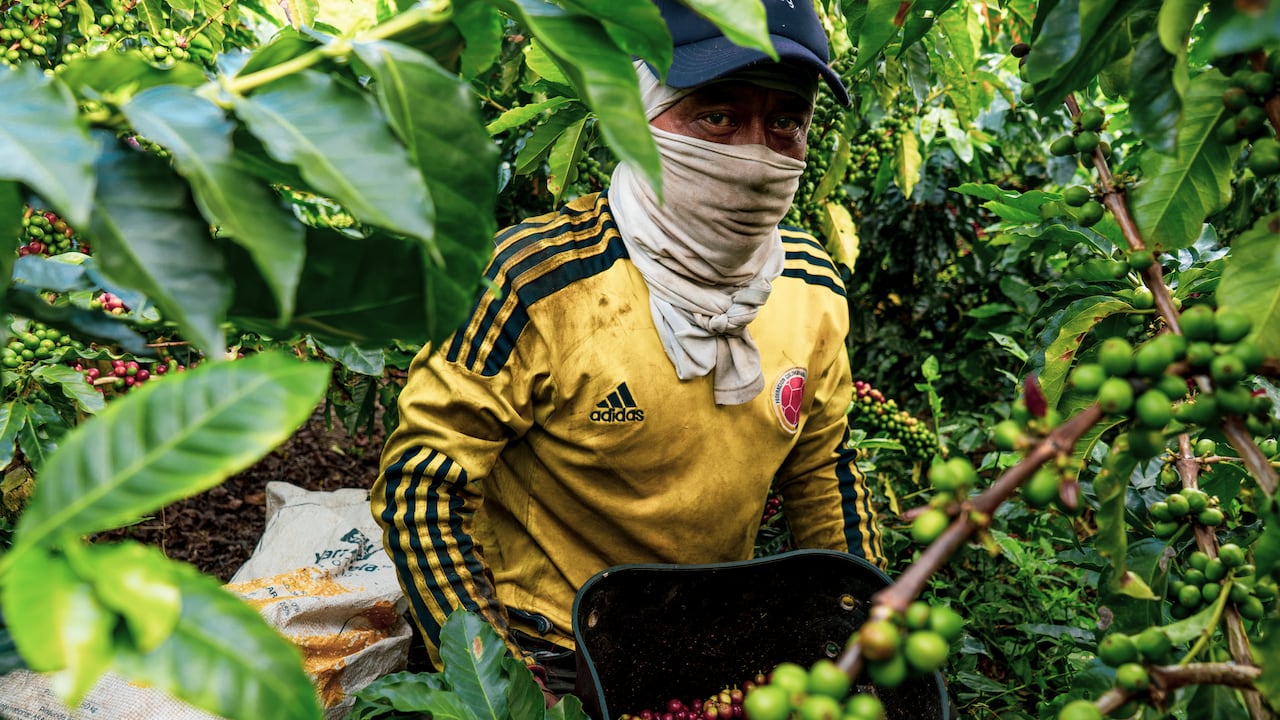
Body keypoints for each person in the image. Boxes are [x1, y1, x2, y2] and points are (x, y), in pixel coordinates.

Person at [371, 0, 884, 700]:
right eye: (717, 117)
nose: (756, 157)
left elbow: (823, 467)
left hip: (713, 646)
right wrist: (500, 684)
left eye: (785, 122)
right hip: (552, 653)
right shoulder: (533, 281)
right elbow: (422, 486)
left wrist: (866, 633)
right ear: (641, 110)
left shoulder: (809, 286)